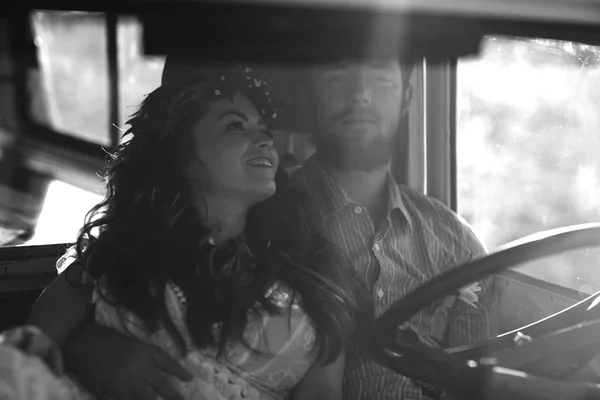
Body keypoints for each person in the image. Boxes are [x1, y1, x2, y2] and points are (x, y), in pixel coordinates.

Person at [0, 59, 372, 400]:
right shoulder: (111, 257)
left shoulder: (315, 273)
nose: (264, 140)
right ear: (183, 157)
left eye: (264, 129)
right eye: (235, 126)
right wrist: (82, 349)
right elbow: (23, 360)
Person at [291, 59, 500, 399]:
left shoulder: (457, 243)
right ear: (310, 97)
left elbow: (473, 388)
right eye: (337, 78)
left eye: (381, 80)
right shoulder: (265, 215)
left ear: (407, 99)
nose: (359, 95)